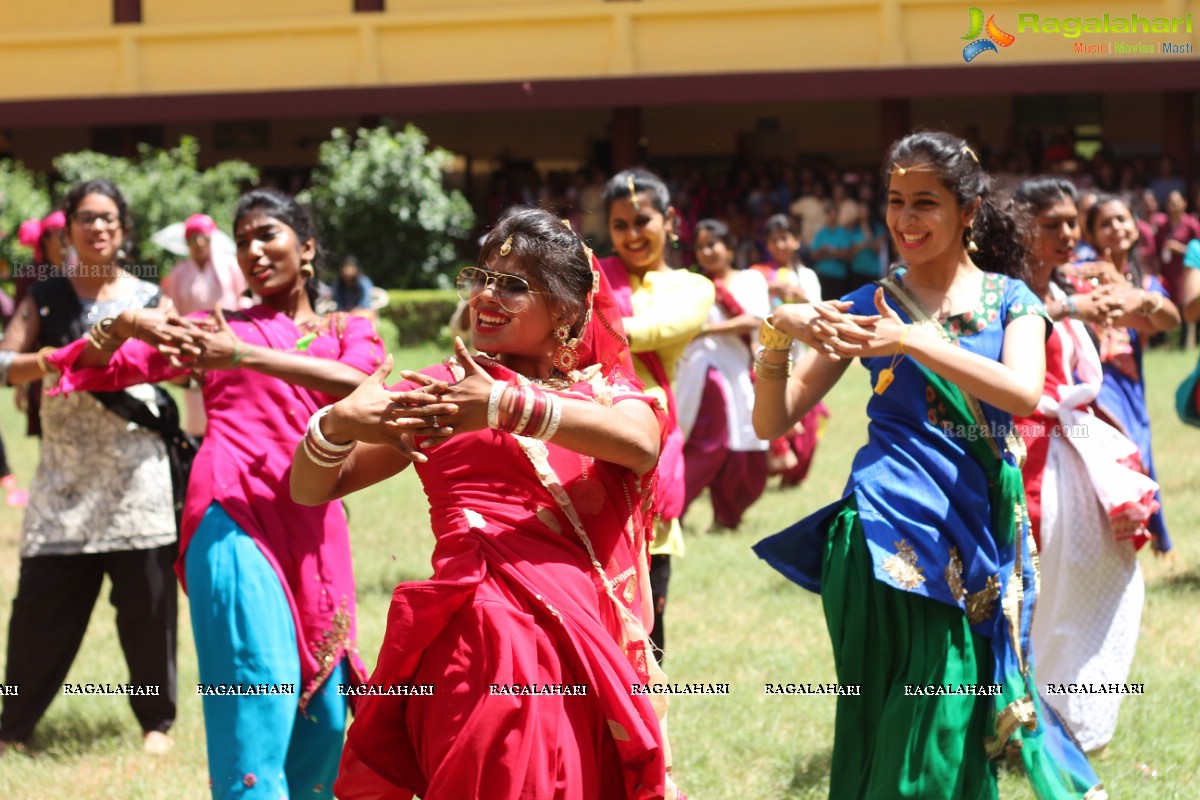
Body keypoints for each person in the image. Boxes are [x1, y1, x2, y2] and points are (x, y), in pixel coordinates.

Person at [752, 132, 1105, 799]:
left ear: (967, 210)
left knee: (957, 714)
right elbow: (773, 421)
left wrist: (912, 339)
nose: (905, 220)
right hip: (884, 534)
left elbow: (1023, 393)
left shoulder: (1010, 302)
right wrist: (778, 331)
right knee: (904, 711)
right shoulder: (868, 302)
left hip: (975, 526)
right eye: (894, 202)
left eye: (925, 203)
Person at [292, 207, 682, 800]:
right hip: (477, 640)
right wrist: (338, 424)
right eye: (481, 277)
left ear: (568, 311)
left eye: (515, 284)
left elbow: (640, 443)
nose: (487, 295)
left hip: (581, 650)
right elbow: (311, 487)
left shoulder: (603, 393)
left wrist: (504, 404)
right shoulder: (439, 393)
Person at [46, 188, 386, 798]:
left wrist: (244, 355)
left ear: (306, 248)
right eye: (244, 238)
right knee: (260, 688)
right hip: (231, 517)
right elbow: (93, 369)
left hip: (315, 527)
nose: (253, 250)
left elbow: (361, 385)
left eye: (269, 235)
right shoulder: (211, 331)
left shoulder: (346, 327)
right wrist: (121, 321)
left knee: (326, 716)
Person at [0, 180, 178, 757]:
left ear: (123, 229)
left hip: (136, 479)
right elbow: (5, 363)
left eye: (107, 218)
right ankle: (12, 727)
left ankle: (157, 724)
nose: (97, 227)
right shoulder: (46, 296)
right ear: (68, 229)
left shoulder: (151, 299)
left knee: (148, 613)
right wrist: (54, 359)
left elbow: (180, 366)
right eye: (85, 218)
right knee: (36, 614)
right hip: (64, 477)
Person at [1012, 177, 1159, 756]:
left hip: (1072, 452)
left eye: (1074, 222)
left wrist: (1139, 299)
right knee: (1037, 588)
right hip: (1028, 453)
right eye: (1054, 225)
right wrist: (1071, 306)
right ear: (1023, 229)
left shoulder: (1078, 279)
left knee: (1100, 581)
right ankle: (1022, 717)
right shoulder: (1007, 289)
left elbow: (1168, 317)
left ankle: (1067, 716)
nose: (1070, 233)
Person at [599, 168, 714, 663]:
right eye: (619, 224)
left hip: (650, 441)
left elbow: (655, 330)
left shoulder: (691, 287)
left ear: (669, 221)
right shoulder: (595, 274)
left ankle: (647, 718)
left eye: (641, 220)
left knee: (647, 612)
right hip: (589, 437)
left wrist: (585, 315)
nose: (631, 235)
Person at [1067, 195, 1181, 553]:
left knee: (1140, 455)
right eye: (1106, 223)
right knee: (1117, 451)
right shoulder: (1082, 272)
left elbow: (1169, 321)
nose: (1116, 228)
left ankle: (1151, 534)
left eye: (1122, 220)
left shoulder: (1145, 281)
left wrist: (1133, 294)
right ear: (1094, 233)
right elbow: (1096, 313)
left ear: (1135, 226)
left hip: (1131, 380)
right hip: (1094, 378)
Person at [675, 219, 770, 531]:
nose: (706, 251)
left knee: (736, 446)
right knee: (708, 442)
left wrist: (708, 330)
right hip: (703, 374)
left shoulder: (751, 280)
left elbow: (755, 319)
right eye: (701, 246)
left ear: (730, 248)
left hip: (738, 372)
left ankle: (724, 516)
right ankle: (670, 509)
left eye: (713, 244)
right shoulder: (695, 286)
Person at [750, 214, 829, 487]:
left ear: (796, 241)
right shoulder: (758, 275)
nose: (780, 244)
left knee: (808, 416)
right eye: (773, 240)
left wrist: (800, 297)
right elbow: (753, 310)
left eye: (785, 238)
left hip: (803, 357)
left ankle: (795, 474)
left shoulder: (807, 276)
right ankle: (778, 466)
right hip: (772, 355)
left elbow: (820, 310)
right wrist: (769, 288)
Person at [161, 212, 249, 438]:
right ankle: (198, 438)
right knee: (197, 394)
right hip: (193, 341)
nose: (199, 244)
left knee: (232, 393)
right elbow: (174, 306)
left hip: (228, 336)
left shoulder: (230, 267)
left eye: (203, 238)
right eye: (193, 239)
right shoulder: (179, 273)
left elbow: (243, 298)